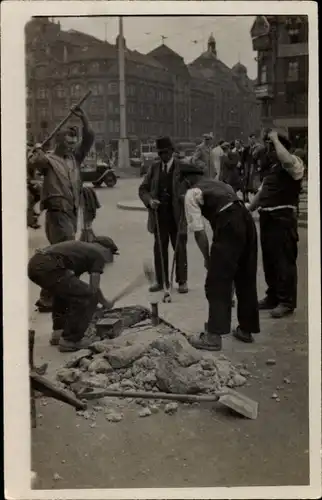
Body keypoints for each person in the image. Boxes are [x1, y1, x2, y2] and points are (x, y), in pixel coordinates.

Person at [180, 163, 260, 351]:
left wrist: (209, 259)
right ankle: (246, 330)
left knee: (216, 282)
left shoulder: (192, 193)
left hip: (229, 223)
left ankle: (213, 337)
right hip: (246, 220)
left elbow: (199, 232)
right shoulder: (221, 184)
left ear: (186, 180)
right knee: (245, 276)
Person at [28, 106, 95, 312]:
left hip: (72, 212)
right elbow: (32, 162)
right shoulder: (49, 160)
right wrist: (38, 148)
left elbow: (89, 138)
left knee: (59, 257)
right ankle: (55, 298)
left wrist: (84, 117)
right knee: (64, 254)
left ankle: (47, 296)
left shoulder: (74, 159)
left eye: (73, 143)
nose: (71, 147)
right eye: (67, 143)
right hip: (57, 215)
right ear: (58, 142)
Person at [246, 130, 305, 318]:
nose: (268, 152)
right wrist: (248, 209)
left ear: (280, 147)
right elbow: (262, 193)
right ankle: (273, 296)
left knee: (284, 261)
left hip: (283, 217)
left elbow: (286, 160)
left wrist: (274, 138)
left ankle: (287, 302)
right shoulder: (272, 170)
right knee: (270, 260)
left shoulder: (294, 163)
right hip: (267, 218)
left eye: (271, 147)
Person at [28, 237, 118, 352]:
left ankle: (59, 332)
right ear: (106, 250)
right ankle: (70, 341)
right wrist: (104, 302)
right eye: (111, 255)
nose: (110, 259)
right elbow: (93, 289)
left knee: (67, 293)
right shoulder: (97, 254)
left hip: (35, 265)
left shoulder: (81, 250)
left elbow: (77, 290)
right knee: (88, 297)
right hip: (49, 267)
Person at [138, 136, 188, 294]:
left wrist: (186, 197)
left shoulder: (183, 168)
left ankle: (182, 281)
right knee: (159, 249)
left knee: (179, 248)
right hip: (159, 216)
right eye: (160, 153)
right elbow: (143, 189)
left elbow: (195, 186)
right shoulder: (154, 168)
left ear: (172, 151)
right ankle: (161, 281)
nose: (163, 156)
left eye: (165, 152)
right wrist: (150, 201)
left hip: (177, 216)